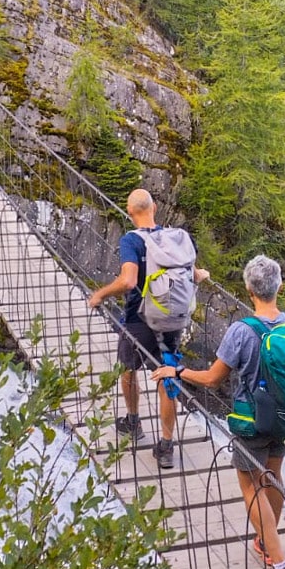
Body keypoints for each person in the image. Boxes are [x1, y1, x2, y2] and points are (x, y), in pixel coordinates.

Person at [152, 254, 285, 569]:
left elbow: (211, 379)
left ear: (249, 289)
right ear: (279, 286)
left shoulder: (242, 330)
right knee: (273, 479)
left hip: (252, 421)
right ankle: (268, 544)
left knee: (251, 487)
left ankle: (280, 568)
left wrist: (176, 371)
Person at [88, 189, 209, 469]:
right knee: (167, 377)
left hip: (138, 320)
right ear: (154, 207)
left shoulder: (131, 240)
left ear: (130, 213)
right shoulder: (178, 238)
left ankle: (133, 422)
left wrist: (100, 295)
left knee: (128, 370)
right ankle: (166, 446)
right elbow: (192, 273)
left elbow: (129, 282)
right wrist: (201, 276)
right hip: (172, 320)